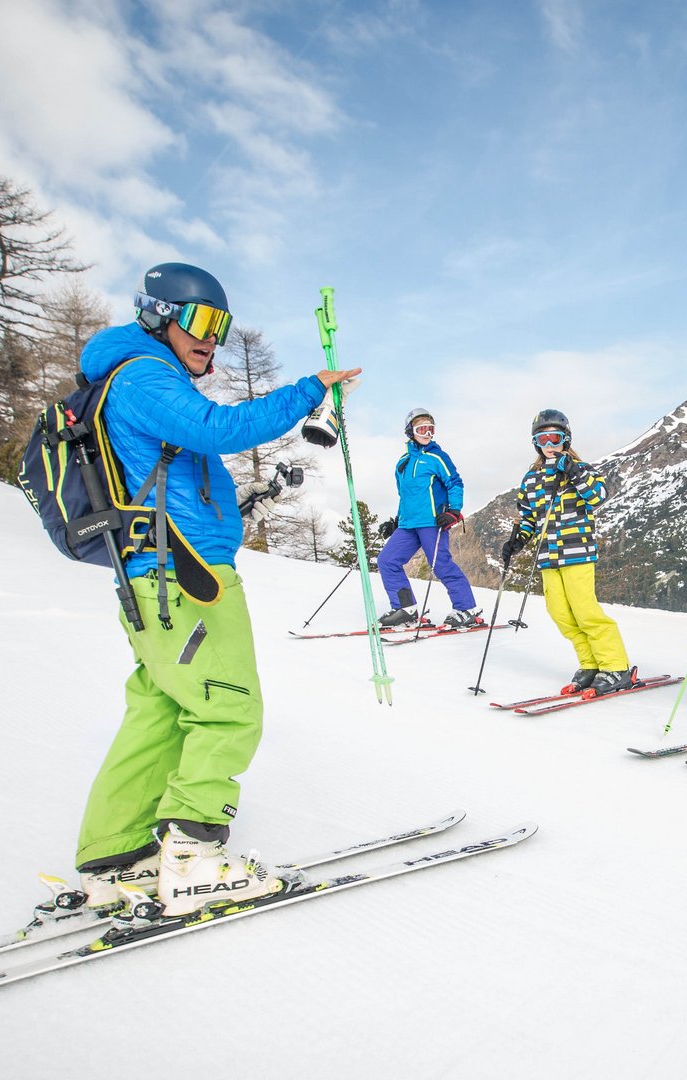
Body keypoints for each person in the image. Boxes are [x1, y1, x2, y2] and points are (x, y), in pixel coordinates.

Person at [72, 262, 361, 918]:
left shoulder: (131, 375)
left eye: (221, 326)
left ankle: (118, 858)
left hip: (153, 574)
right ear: (158, 314)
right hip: (184, 577)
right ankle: (195, 859)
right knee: (228, 706)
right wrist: (307, 389)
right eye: (200, 321)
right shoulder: (143, 374)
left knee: (161, 711)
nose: (211, 339)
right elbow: (219, 430)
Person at [500, 409, 634, 695]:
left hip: (577, 552)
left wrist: (572, 471)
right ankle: (590, 664)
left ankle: (615, 666)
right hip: (548, 556)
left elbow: (597, 496)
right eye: (543, 438)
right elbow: (528, 517)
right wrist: (518, 539)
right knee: (560, 612)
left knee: (585, 611)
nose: (549, 443)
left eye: (555, 437)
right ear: (536, 443)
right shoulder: (531, 478)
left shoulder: (581, 469)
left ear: (566, 438)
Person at [376, 408, 479, 628]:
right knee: (387, 560)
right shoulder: (402, 463)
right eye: (422, 428)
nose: (427, 433)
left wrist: (453, 511)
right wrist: (396, 521)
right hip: (408, 524)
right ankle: (405, 609)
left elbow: (455, 483)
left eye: (431, 429)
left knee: (440, 565)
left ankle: (466, 608)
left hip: (432, 522)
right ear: (410, 431)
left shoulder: (437, 457)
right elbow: (405, 496)